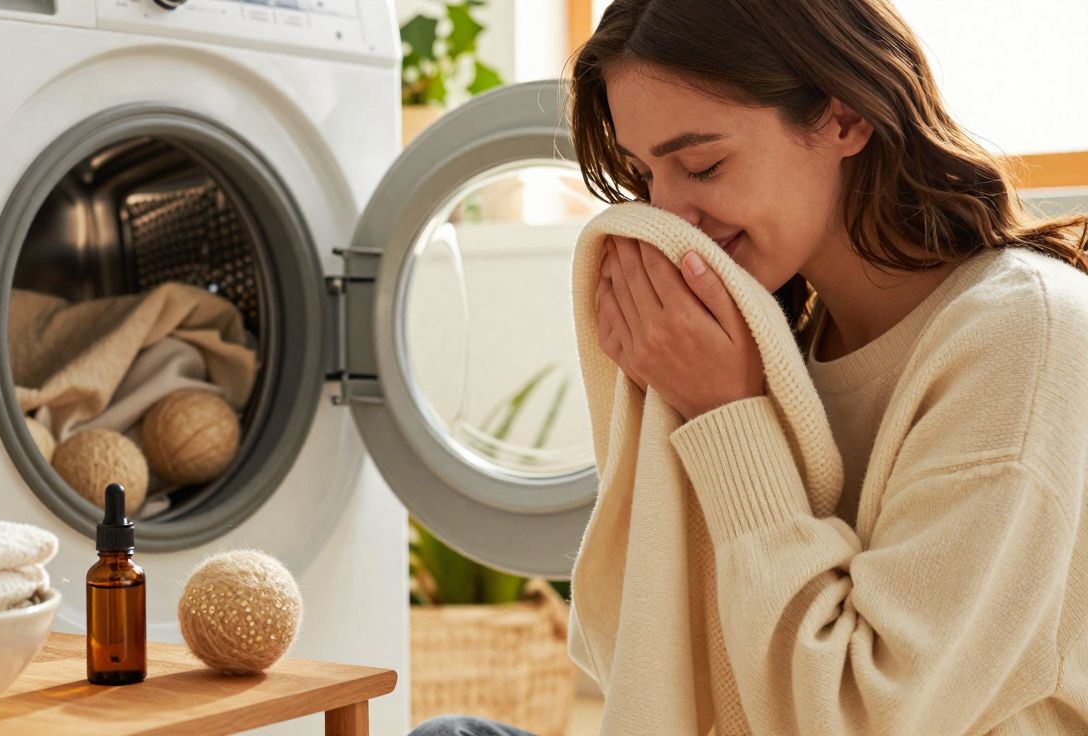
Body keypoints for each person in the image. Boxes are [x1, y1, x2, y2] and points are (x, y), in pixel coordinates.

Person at [411, 0, 1088, 733]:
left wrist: (727, 415)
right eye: (645, 176)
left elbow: (863, 717)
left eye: (703, 165)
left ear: (844, 117)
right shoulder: (783, 339)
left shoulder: (1022, 335)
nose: (669, 214)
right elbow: (661, 655)